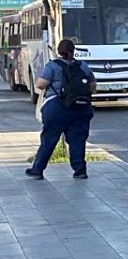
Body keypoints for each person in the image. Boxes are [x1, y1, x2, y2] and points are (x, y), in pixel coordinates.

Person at [25, 39, 96, 180]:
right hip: (80, 108)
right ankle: (80, 170)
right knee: (77, 140)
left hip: (56, 108)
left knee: (49, 139)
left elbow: (40, 84)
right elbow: (93, 86)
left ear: (58, 51)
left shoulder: (52, 66)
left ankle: (37, 170)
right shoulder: (83, 66)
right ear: (73, 51)